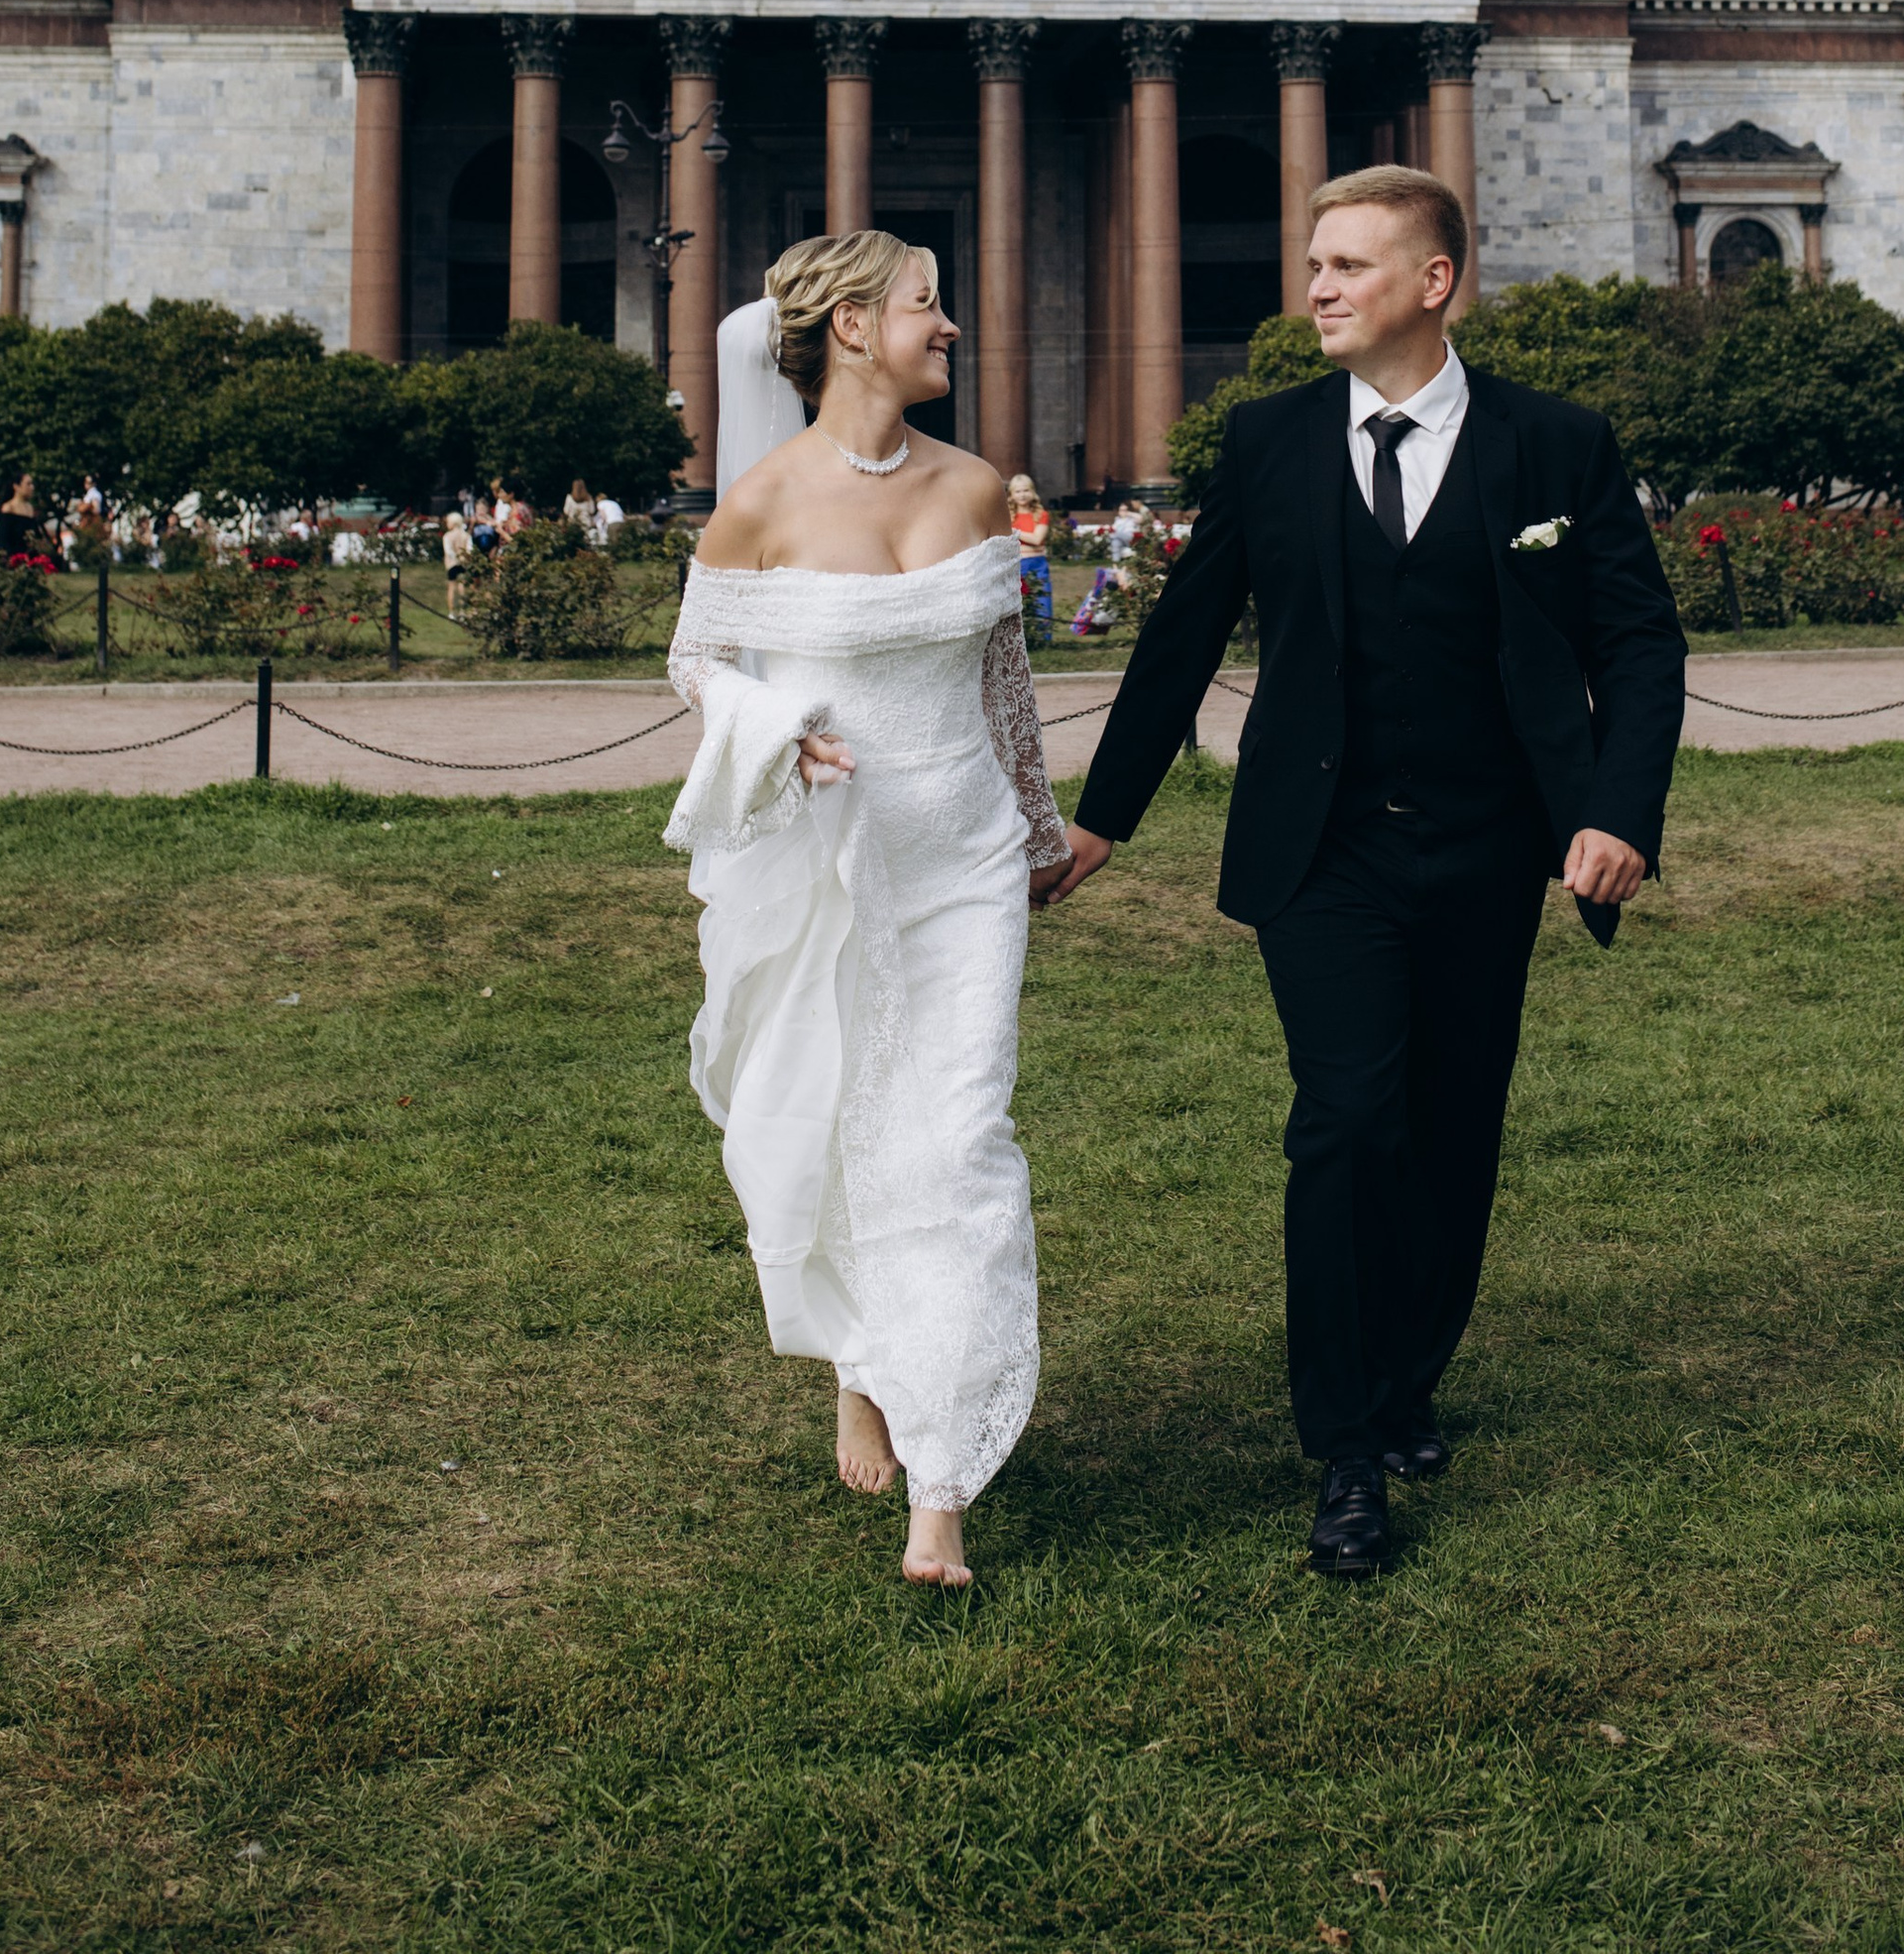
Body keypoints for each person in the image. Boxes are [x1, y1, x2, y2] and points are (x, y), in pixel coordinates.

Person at [1051, 165, 1685, 1580]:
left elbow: (1640, 642)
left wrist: (1618, 812)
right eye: (1315, 263)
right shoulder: (1267, 441)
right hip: (1320, 850)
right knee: (1344, 1121)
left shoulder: (1555, 445)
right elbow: (1182, 636)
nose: (1318, 288)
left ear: (1434, 282)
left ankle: (1405, 1387)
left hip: (1491, 847)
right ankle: (1344, 1448)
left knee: (1453, 1127)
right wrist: (1104, 819)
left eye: (1347, 265)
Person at [666, 231, 1071, 1590]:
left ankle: (939, 1493)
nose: (948, 326)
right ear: (850, 326)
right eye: (924, 305)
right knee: (844, 1126)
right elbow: (696, 662)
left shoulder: (974, 489)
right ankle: (862, 1362)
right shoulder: (763, 502)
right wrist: (773, 730)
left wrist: (1039, 828)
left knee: (957, 1140)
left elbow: (1004, 681)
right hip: (833, 868)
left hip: (965, 863)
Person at [1008, 472, 1054, 638]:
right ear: (1011, 495)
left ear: (1033, 492)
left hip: (1037, 563)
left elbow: (1037, 539)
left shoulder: (1041, 514)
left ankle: (1043, 638)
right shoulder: (1007, 515)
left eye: (1026, 490)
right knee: (1013, 602)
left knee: (1042, 600)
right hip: (1014, 563)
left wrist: (1013, 531)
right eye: (1018, 491)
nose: (1022, 495)